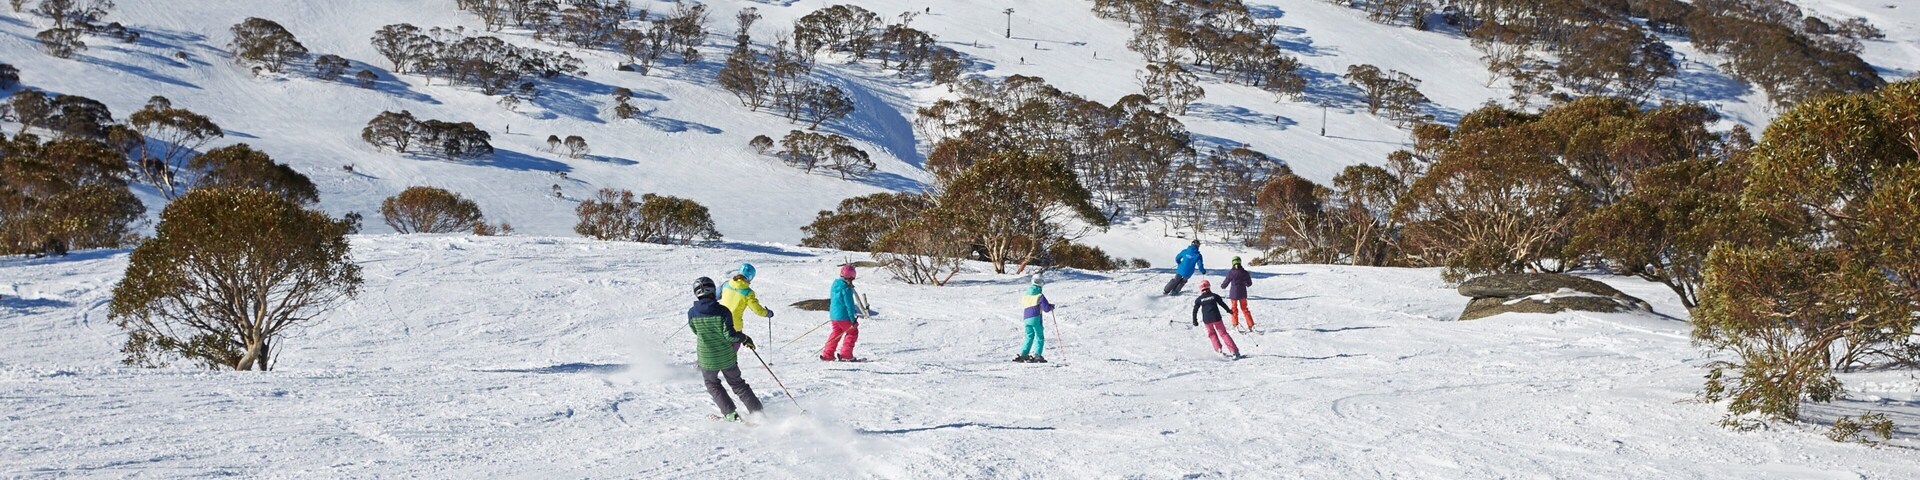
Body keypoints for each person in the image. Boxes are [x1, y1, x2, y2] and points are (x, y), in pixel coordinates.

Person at [688, 277, 763, 422]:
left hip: (707, 358)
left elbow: (695, 330)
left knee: (712, 384)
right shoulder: (723, 311)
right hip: (727, 356)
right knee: (738, 384)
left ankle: (729, 414)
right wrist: (744, 338)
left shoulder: (692, 312)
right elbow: (730, 335)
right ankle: (757, 412)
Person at [719, 263, 773, 350]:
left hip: (719, 322)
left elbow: (715, 295)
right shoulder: (748, 292)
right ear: (750, 277)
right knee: (732, 349)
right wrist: (768, 313)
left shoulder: (726, 284)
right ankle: (730, 363)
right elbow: (757, 310)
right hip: (734, 327)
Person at [1191, 280, 1242, 360]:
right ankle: (1234, 351)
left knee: (1212, 334)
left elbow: (1195, 310)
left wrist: (1195, 320)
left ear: (1201, 289)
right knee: (1224, 334)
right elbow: (1222, 304)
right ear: (1209, 287)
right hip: (1216, 318)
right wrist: (1228, 310)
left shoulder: (1199, 299)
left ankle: (1219, 350)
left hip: (1207, 320)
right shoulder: (1215, 296)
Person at [821, 264, 863, 361]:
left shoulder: (835, 284)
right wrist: (853, 320)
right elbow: (849, 305)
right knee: (852, 332)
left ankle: (827, 354)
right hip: (844, 316)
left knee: (836, 333)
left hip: (834, 316)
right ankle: (846, 354)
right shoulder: (846, 289)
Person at [1014, 275, 1057, 363]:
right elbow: (1046, 308)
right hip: (1035, 317)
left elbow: (1023, 303)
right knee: (1039, 336)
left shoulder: (1026, 295)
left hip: (1026, 318)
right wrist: (1051, 306)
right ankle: (1037, 355)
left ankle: (1024, 354)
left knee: (1029, 336)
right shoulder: (1039, 295)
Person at [1221, 256, 1255, 332]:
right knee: (1245, 309)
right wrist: (1246, 283)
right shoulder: (1245, 272)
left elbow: (1226, 282)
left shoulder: (1231, 272)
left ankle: (1235, 324)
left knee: (1234, 309)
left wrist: (1223, 286)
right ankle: (1251, 325)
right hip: (1243, 294)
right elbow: (1249, 283)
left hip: (1234, 294)